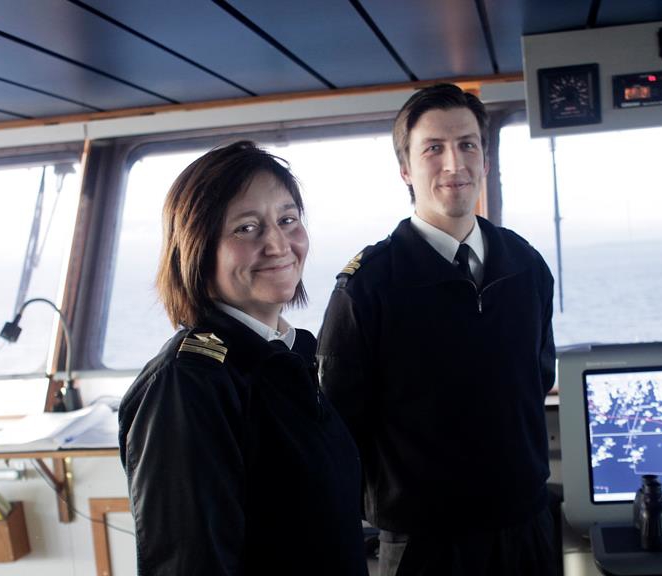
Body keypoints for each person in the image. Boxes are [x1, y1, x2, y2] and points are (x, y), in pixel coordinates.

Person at [317, 84, 558, 575]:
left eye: (468, 144)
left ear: (485, 159)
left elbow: (536, 377)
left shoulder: (526, 265)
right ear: (405, 169)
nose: (455, 164)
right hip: (424, 546)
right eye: (434, 148)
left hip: (526, 529)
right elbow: (340, 430)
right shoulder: (367, 287)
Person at [118, 141, 367, 576]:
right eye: (246, 228)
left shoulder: (284, 360)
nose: (277, 244)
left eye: (287, 220)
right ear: (197, 248)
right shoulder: (189, 385)